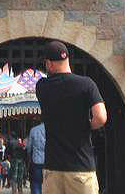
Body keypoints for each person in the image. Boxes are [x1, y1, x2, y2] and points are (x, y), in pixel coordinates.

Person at [34, 41, 106, 194]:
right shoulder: (87, 84)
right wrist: (86, 125)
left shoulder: (42, 87)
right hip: (81, 167)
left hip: (53, 167)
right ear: (67, 60)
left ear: (49, 63)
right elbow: (101, 117)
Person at [25, 124, 45, 194]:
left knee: (36, 184)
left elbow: (29, 148)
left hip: (37, 160)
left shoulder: (34, 130)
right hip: (50, 162)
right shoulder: (53, 129)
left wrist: (29, 158)